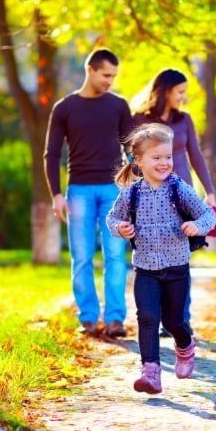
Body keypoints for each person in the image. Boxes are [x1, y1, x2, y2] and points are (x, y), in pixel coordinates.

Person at [106, 123, 216, 394]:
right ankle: (151, 372)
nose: (165, 162)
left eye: (168, 156)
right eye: (157, 158)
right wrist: (120, 228)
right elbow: (112, 218)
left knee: (173, 321)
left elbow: (208, 214)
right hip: (145, 269)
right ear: (139, 161)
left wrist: (197, 226)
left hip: (176, 267)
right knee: (147, 317)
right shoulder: (130, 193)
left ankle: (185, 345)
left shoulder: (179, 189)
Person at [43, 48, 132, 338]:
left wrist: (134, 187)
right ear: (91, 70)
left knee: (116, 255)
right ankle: (89, 318)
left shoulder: (118, 106)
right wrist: (56, 194)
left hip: (113, 192)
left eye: (114, 76)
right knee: (81, 256)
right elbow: (52, 154)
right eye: (106, 75)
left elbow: (131, 149)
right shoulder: (65, 108)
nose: (110, 81)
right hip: (78, 191)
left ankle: (116, 319)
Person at [132, 68, 216, 336]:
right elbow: (133, 158)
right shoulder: (141, 119)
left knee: (180, 259)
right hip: (151, 197)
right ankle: (156, 317)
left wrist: (209, 191)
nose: (183, 97)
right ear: (165, 90)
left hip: (182, 197)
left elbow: (196, 156)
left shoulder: (185, 120)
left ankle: (180, 319)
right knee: (153, 259)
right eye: (180, 92)